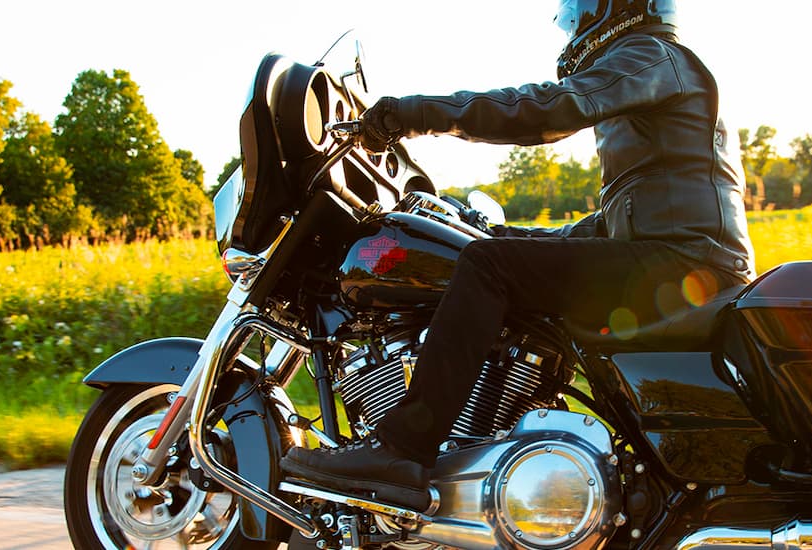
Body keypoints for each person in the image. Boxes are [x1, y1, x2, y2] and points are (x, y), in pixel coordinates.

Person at [281, 0, 755, 512]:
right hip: (678, 262)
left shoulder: (649, 56)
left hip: (685, 267)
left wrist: (413, 114)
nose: (571, 22)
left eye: (578, 9)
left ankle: (401, 450)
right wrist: (496, 232)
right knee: (492, 256)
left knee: (490, 267)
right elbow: (612, 226)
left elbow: (545, 109)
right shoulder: (653, 70)